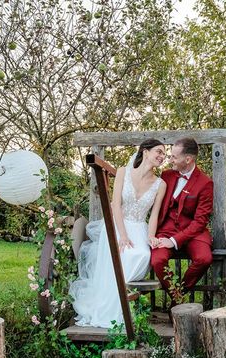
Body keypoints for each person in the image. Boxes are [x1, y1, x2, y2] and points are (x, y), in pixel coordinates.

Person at [70, 139, 167, 328]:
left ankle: (122, 307)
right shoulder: (123, 172)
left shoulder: (160, 184)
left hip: (139, 227)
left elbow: (154, 214)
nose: (162, 157)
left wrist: (150, 236)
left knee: (140, 254)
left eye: (164, 154)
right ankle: (110, 310)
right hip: (118, 225)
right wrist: (122, 235)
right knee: (122, 253)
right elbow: (115, 205)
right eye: (159, 151)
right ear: (145, 152)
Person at [151, 137, 213, 304]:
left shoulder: (205, 183)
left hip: (193, 232)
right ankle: (178, 299)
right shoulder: (166, 176)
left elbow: (200, 221)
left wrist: (174, 241)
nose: (169, 160)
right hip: (166, 229)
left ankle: (178, 297)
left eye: (174, 157)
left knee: (204, 258)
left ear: (188, 159)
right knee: (157, 260)